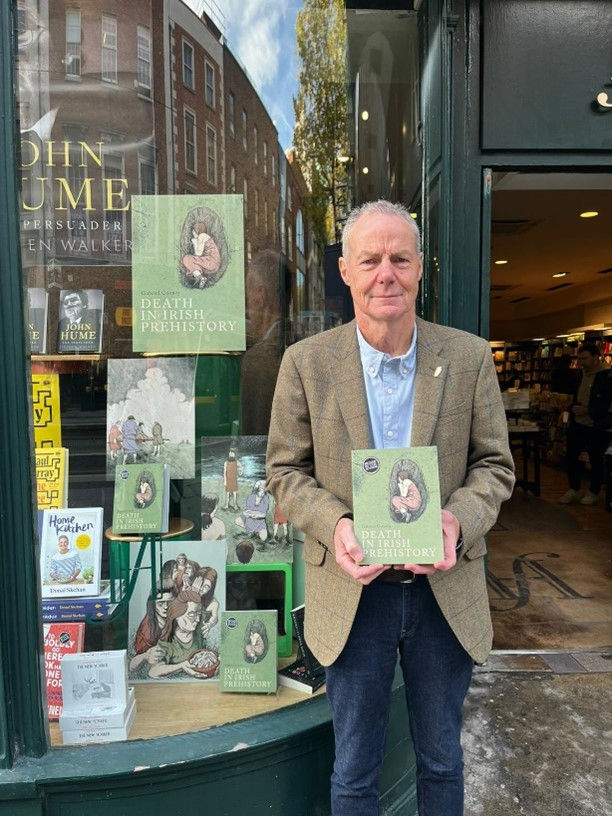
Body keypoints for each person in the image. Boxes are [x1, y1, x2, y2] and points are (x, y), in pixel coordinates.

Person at [266, 200, 515, 816]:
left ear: (420, 268)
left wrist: (458, 519)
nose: (386, 274)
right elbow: (283, 474)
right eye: (370, 259)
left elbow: (495, 467)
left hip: (442, 591)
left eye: (400, 259)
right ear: (346, 269)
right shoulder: (306, 363)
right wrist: (337, 524)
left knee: (441, 761)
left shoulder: (468, 357)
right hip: (354, 596)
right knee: (354, 770)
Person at [558, 343, 611, 506]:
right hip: (578, 422)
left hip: (596, 425)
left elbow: (607, 403)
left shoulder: (607, 375)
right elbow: (576, 395)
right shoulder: (580, 374)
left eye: (585, 358)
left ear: (596, 358)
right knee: (571, 456)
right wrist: (570, 409)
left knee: (596, 459)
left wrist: (587, 410)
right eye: (579, 358)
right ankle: (574, 488)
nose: (581, 362)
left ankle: (593, 491)